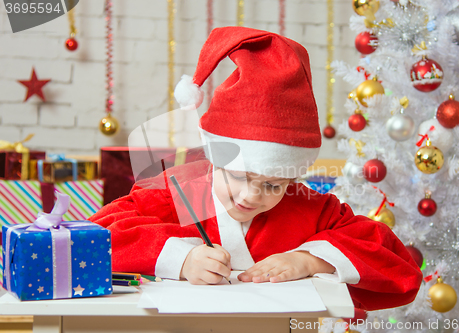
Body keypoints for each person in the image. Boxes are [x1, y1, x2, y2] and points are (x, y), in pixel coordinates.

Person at [89, 26, 423, 311]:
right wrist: (181, 258)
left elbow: (400, 267)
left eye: (274, 185)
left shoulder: (308, 208)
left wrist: (308, 260)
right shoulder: (176, 192)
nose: (251, 196)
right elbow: (93, 236)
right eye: (237, 176)